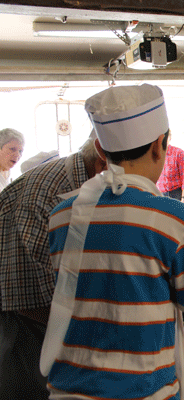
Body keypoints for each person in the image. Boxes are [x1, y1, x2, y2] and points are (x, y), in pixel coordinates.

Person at [40, 84, 184, 399]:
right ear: (160, 146)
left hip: (67, 388)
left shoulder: (61, 215)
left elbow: (108, 295)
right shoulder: (175, 218)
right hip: (142, 390)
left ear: (100, 150)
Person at [0, 133, 106, 399]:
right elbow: (42, 303)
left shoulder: (92, 184)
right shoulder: (42, 199)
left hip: (62, 323)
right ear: (103, 157)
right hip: (24, 330)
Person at [157, 134, 184, 203]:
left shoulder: (178, 153)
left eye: (165, 137)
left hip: (176, 195)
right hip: (159, 195)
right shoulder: (154, 154)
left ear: (170, 137)